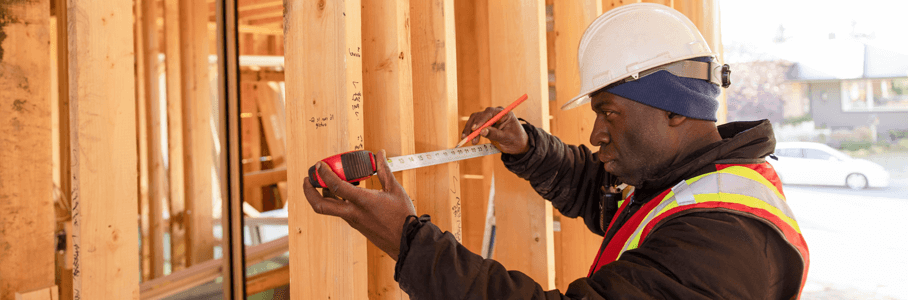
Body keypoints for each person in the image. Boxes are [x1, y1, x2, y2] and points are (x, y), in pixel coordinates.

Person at [302, 3, 809, 299]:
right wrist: (527, 149)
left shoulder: (721, 239)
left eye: (608, 112)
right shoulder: (689, 183)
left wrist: (407, 241)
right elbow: (603, 195)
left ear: (674, 110)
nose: (595, 134)